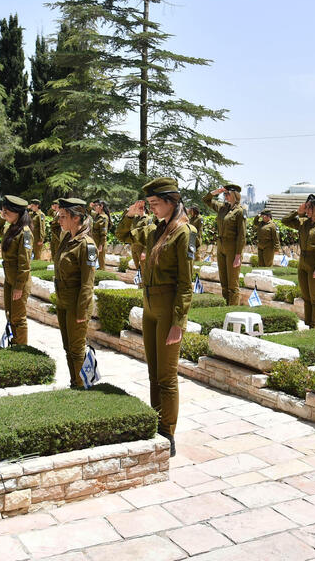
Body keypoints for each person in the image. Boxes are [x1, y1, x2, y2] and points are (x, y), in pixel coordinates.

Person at [117, 177, 197, 457]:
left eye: (155, 204)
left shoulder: (184, 232)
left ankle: (168, 431)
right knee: (153, 374)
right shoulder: (155, 230)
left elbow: (186, 284)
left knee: (167, 376)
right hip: (150, 305)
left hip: (167, 308)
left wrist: (179, 322)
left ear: (171, 202)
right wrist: (130, 215)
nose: (151, 209)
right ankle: (155, 421)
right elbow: (123, 235)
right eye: (148, 204)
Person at [53, 198, 97, 388]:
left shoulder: (86, 245)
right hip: (63, 301)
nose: (59, 220)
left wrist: (81, 312)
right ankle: (74, 383)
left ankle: (81, 386)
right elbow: (54, 227)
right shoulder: (66, 238)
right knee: (67, 348)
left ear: (77, 218)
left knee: (77, 349)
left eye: (63, 216)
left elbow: (87, 284)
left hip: (76, 305)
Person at [281, 195, 315, 328]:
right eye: (307, 207)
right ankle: (309, 325)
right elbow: (285, 221)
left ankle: (314, 328)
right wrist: (298, 212)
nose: (308, 210)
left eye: (310, 207)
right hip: (303, 264)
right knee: (306, 298)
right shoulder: (303, 222)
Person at [202, 183, 245, 305]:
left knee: (233, 283)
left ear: (235, 195)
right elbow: (206, 200)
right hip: (221, 246)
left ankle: (233, 311)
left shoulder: (240, 212)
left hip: (232, 248)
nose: (225, 196)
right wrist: (215, 192)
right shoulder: (222, 208)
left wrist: (238, 255)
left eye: (227, 193)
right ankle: (227, 308)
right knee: (224, 282)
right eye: (224, 194)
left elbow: (241, 235)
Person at [0, 195, 33, 345]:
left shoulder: (24, 233)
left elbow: (25, 263)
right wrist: (2, 218)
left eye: (7, 211)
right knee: (10, 314)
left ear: (17, 212)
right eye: (3, 211)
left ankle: (21, 349)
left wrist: (19, 286)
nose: (5, 214)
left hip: (19, 281)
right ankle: (14, 343)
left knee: (18, 318)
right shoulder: (11, 228)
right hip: (9, 279)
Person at [126, 198, 151, 272]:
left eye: (141, 207)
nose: (139, 208)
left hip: (141, 247)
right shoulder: (135, 218)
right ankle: (140, 283)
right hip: (134, 246)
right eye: (137, 207)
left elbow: (149, 235)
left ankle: (144, 283)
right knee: (138, 270)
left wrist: (145, 251)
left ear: (144, 208)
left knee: (144, 269)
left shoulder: (148, 219)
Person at [90, 200, 110, 269]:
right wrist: (91, 206)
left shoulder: (104, 217)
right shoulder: (96, 215)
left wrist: (101, 245)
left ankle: (102, 278)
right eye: (94, 206)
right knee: (91, 263)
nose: (94, 207)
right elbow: (88, 212)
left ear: (101, 206)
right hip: (93, 242)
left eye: (96, 206)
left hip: (99, 243)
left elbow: (104, 233)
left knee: (101, 264)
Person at [48, 200, 62, 267]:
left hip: (58, 235)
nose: (55, 207)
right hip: (54, 236)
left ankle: (58, 266)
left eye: (56, 205)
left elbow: (58, 223)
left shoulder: (61, 214)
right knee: (53, 250)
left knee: (57, 251)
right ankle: (55, 265)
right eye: (54, 205)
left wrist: (52, 223)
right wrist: (52, 208)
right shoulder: (55, 213)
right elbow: (49, 213)